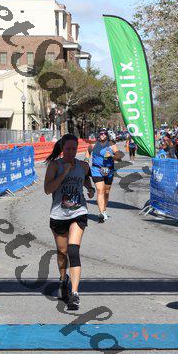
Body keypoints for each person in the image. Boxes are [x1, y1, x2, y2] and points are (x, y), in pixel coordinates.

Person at [44, 134, 95, 310]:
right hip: (58, 215)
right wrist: (64, 173)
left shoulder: (83, 165)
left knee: (73, 251)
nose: (71, 152)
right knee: (62, 252)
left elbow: (86, 177)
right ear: (62, 149)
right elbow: (47, 189)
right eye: (68, 149)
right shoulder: (54, 166)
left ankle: (74, 293)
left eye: (74, 149)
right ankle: (62, 279)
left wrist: (89, 188)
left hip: (78, 212)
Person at [85, 128, 123, 223]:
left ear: (107, 135)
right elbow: (88, 152)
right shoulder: (93, 144)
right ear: (98, 134)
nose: (102, 135)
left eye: (104, 133)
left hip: (108, 170)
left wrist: (111, 156)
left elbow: (119, 157)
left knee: (106, 192)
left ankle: (104, 209)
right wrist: (86, 161)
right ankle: (101, 212)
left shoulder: (111, 144)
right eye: (101, 133)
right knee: (100, 190)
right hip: (96, 169)